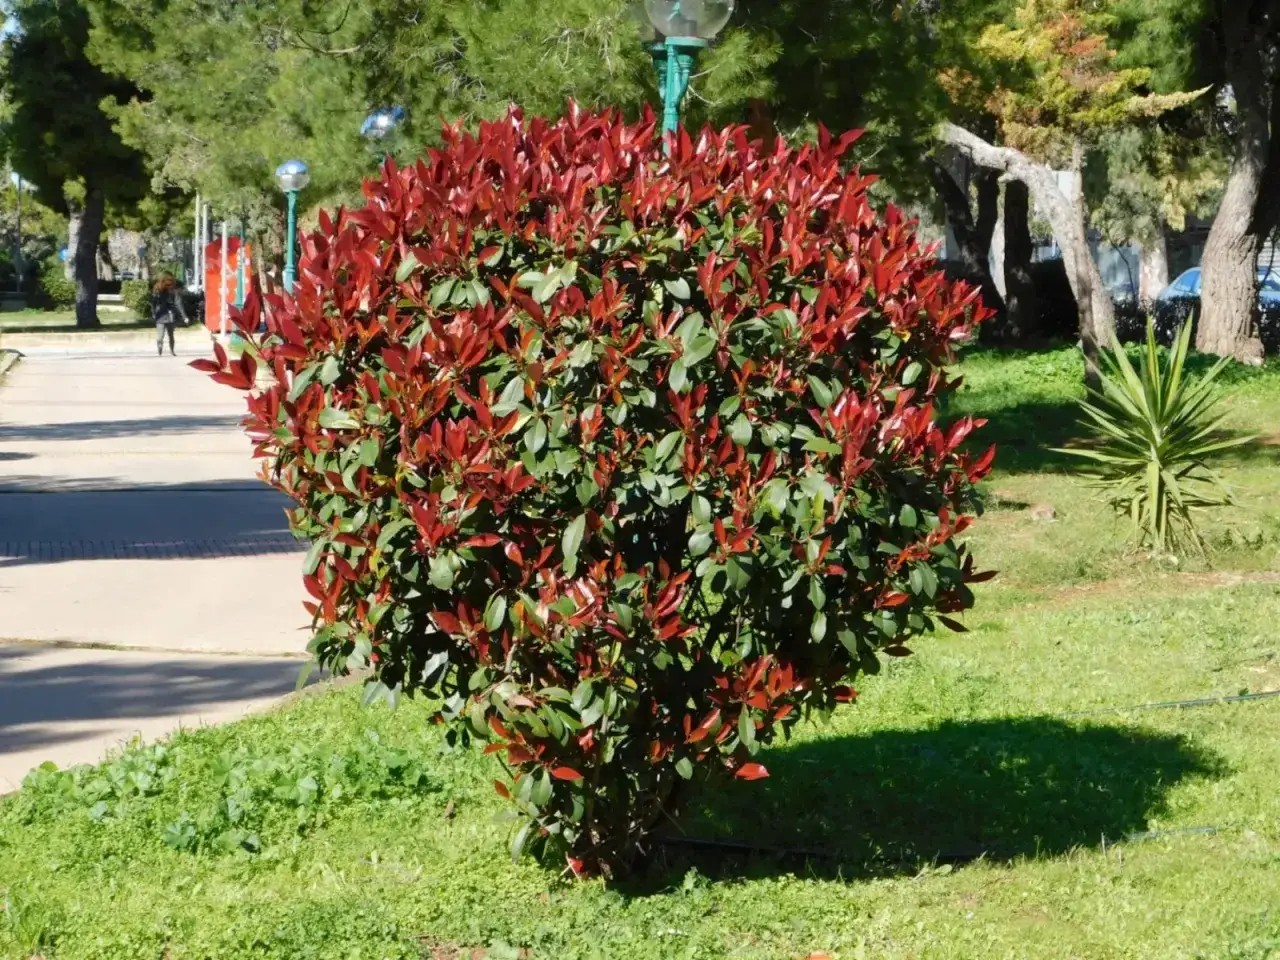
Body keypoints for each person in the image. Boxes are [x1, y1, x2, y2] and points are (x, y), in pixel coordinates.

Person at [151, 273, 189, 356]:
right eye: (168, 284)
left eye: (171, 284)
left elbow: (179, 304)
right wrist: (153, 312)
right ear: (163, 282)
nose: (170, 286)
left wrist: (184, 316)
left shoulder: (174, 291)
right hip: (160, 315)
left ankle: (172, 351)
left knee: (171, 335)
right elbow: (153, 302)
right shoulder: (157, 289)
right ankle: (159, 346)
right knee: (160, 336)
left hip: (170, 315)